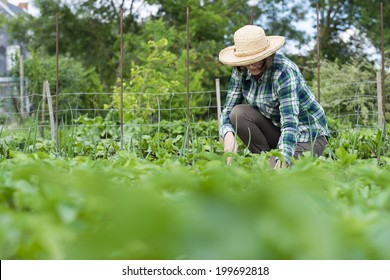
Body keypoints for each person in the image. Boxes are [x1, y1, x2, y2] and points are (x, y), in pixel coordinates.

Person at [218, 25, 329, 168]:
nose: (251, 66)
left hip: (307, 134)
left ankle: (307, 160)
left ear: (267, 55)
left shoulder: (284, 71)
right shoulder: (241, 69)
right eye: (246, 61)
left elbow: (290, 123)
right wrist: (227, 134)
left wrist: (283, 159)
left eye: (256, 60)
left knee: (281, 174)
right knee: (238, 113)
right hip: (277, 130)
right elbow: (228, 110)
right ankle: (267, 161)